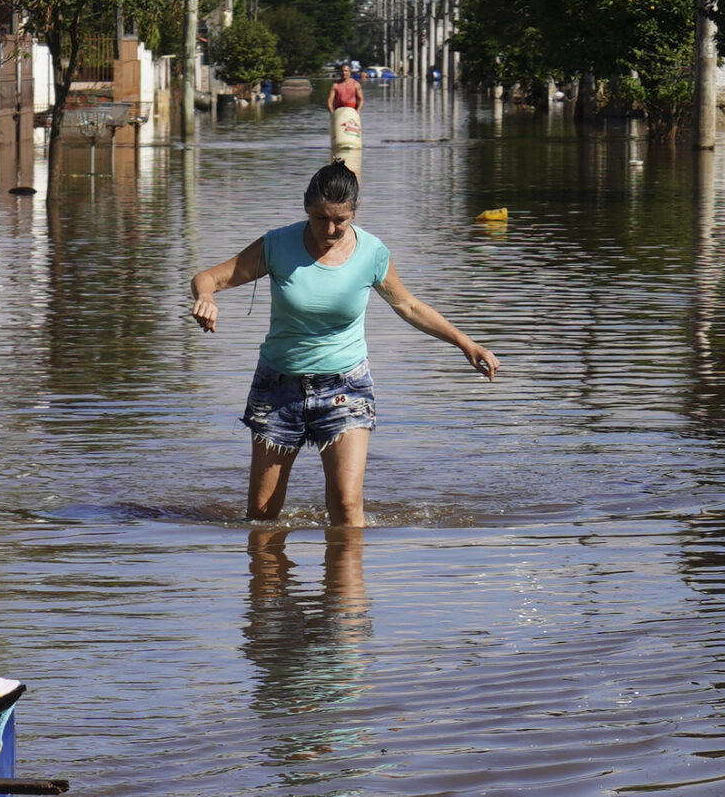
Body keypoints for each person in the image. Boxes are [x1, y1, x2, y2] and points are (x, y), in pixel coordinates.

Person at [188, 163, 499, 525]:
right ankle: (269, 581)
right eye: (320, 218)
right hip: (278, 388)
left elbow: (409, 306)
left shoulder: (372, 252)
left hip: (345, 387)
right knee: (261, 515)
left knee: (347, 508)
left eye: (341, 220)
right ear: (307, 208)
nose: (330, 230)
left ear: (354, 211)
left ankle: (344, 581)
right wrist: (206, 297)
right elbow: (209, 277)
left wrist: (467, 344)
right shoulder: (277, 245)